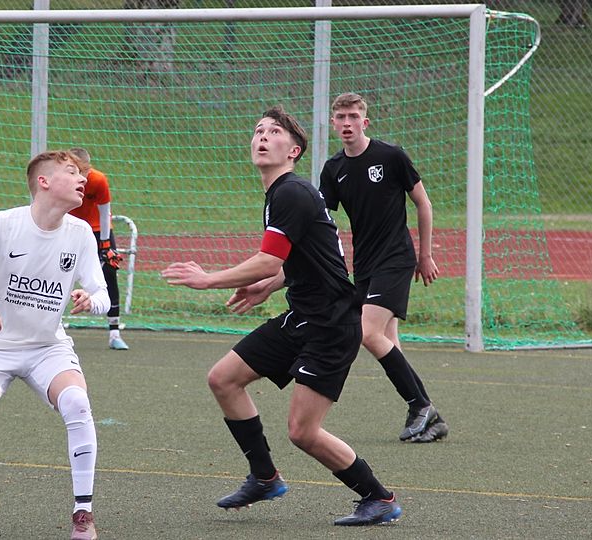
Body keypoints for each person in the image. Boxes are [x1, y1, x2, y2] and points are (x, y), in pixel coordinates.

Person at [161, 105, 402, 527]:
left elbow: (267, 259)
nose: (262, 137)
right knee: (223, 378)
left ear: (293, 151)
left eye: (274, 132)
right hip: (304, 316)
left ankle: (378, 497)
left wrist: (208, 279)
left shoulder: (291, 192)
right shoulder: (282, 194)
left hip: (331, 326)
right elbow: (304, 258)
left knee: (303, 432)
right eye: (258, 131)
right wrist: (268, 285)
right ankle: (264, 477)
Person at [0, 151, 108, 539]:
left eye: (83, 174)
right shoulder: (2, 223)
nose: (83, 179)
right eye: (72, 172)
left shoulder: (80, 233)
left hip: (48, 347)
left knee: (77, 403)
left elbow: (103, 294)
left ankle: (83, 514)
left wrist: (90, 301)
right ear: (44, 182)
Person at [318, 92, 448, 444]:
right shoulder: (333, 169)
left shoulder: (390, 156)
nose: (347, 123)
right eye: (341, 117)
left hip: (396, 258)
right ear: (333, 123)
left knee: (366, 332)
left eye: (353, 117)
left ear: (365, 122)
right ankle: (428, 415)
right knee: (388, 340)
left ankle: (420, 406)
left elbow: (423, 203)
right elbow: (323, 219)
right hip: (365, 265)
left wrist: (425, 255)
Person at [68, 147, 129, 351]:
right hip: (70, 229)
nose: (80, 176)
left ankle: (114, 333)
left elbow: (105, 213)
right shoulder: (63, 181)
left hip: (97, 230)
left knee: (109, 273)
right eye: (74, 171)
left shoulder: (98, 180)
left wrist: (105, 245)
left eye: (83, 171)